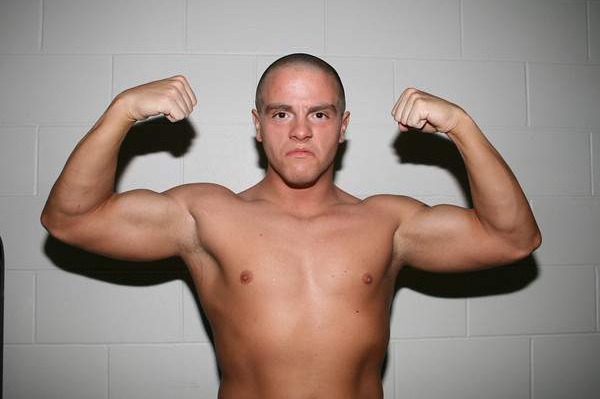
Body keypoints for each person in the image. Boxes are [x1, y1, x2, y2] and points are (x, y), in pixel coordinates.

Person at [41, 53, 541, 399]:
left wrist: (462, 126)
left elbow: (513, 239)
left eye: (319, 114)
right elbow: (70, 220)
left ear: (343, 127)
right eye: (281, 113)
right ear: (257, 125)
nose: (300, 131)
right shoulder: (207, 215)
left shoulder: (388, 223)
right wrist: (123, 111)